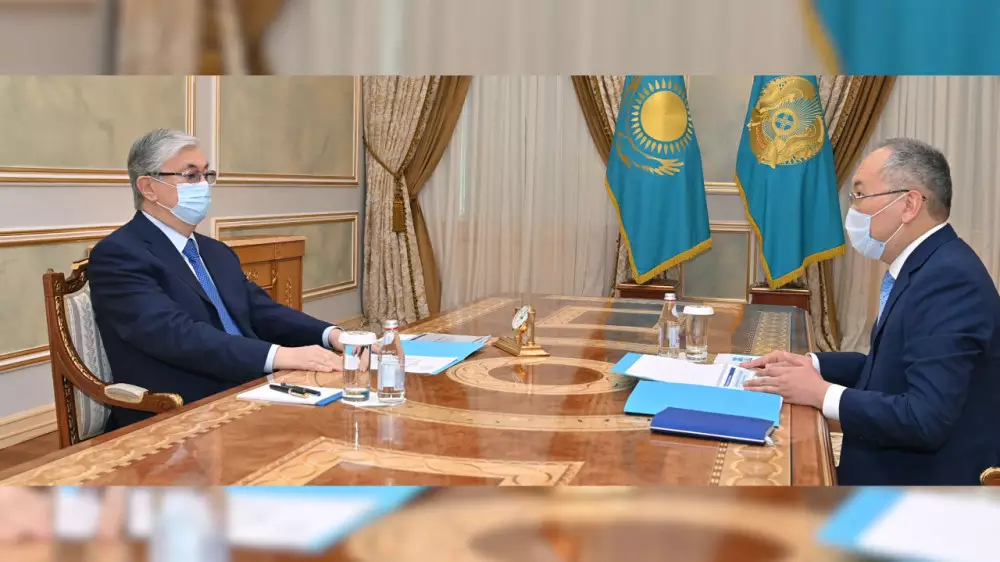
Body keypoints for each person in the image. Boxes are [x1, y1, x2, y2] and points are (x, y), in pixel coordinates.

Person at [743, 137, 1000, 485]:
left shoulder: (949, 280)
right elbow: (891, 367)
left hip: (918, 488)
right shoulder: (928, 265)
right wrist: (811, 364)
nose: (853, 210)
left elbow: (924, 419)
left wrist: (821, 393)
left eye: (860, 195)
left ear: (909, 204)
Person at [89, 129, 352, 430]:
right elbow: (177, 335)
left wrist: (332, 335)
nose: (203, 185)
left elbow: (259, 310)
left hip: (254, 388)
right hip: (180, 412)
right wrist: (281, 356)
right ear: (148, 187)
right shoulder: (119, 255)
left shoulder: (215, 251)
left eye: (207, 174)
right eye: (191, 176)